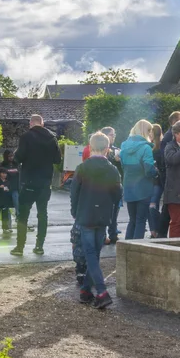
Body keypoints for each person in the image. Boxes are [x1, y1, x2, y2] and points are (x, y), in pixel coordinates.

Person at [69, 131, 123, 309]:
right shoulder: (112, 169)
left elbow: (74, 192)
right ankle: (86, 290)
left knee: (90, 254)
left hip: (85, 214)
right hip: (104, 215)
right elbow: (117, 194)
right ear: (107, 149)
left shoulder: (83, 168)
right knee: (95, 253)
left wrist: (75, 211)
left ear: (91, 147)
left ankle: (101, 291)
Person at [14, 114, 62, 255]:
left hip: (29, 181)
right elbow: (58, 159)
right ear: (42, 124)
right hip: (45, 182)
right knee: (42, 214)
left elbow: (18, 158)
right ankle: (39, 246)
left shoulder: (26, 137)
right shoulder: (52, 139)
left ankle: (20, 247)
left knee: (23, 215)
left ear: (31, 124)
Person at [119, 119, 157, 240]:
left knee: (132, 220)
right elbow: (148, 170)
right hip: (143, 188)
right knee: (141, 220)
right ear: (146, 132)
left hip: (129, 185)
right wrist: (156, 172)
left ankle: (126, 248)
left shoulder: (124, 146)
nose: (151, 134)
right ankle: (136, 250)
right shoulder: (146, 148)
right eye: (150, 131)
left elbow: (123, 166)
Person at [147, 122, 165, 237]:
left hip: (156, 182)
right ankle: (155, 230)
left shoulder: (155, 149)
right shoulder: (157, 147)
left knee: (152, 205)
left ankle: (156, 230)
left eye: (150, 132)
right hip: (157, 182)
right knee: (153, 205)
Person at [0, 165, 13, 234]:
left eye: (5, 173)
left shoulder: (7, 182)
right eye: (3, 173)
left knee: (5, 215)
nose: (4, 175)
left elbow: (10, 190)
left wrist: (7, 189)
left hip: (5, 200)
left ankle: (5, 228)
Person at [1, 149, 20, 216]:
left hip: (15, 188)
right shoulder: (2, 165)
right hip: (6, 188)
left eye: (12, 156)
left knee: (17, 203)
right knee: (6, 206)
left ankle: (18, 216)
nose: (11, 157)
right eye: (9, 156)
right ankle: (8, 223)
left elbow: (19, 175)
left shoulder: (16, 164)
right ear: (6, 156)